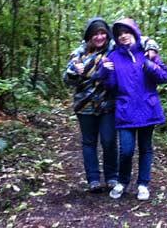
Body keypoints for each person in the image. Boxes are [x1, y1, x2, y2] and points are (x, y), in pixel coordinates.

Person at [63, 17, 160, 193]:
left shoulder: (113, 48)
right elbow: (67, 79)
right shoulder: (79, 55)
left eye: (102, 33)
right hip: (85, 105)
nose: (99, 37)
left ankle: (112, 177)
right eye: (95, 34)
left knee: (109, 141)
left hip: (108, 103)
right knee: (89, 142)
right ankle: (93, 179)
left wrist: (152, 47)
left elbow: (139, 38)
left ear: (107, 35)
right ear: (89, 37)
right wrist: (75, 72)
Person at [98, 18, 167, 200]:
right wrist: (105, 72)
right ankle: (123, 181)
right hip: (125, 110)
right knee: (126, 150)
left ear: (134, 32)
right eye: (119, 33)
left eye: (126, 32)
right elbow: (111, 86)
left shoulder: (147, 53)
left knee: (146, 148)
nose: (123, 36)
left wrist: (151, 66)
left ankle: (143, 184)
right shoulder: (113, 57)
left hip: (148, 108)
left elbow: (163, 76)